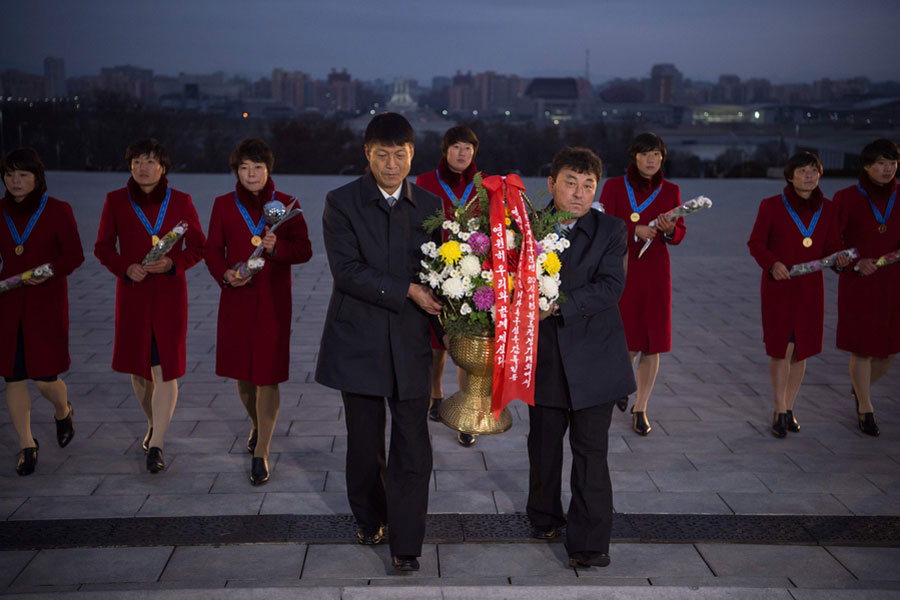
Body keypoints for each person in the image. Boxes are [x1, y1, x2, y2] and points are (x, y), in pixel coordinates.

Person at [315, 113, 443, 573]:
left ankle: (406, 544)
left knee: (413, 444)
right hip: (359, 340)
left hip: (410, 341)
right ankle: (370, 518)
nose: (392, 164)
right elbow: (347, 271)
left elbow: (441, 270)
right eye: (382, 155)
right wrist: (407, 290)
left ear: (412, 154)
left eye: (400, 155)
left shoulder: (430, 204)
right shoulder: (341, 201)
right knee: (365, 444)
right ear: (367, 154)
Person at [528, 147, 635, 568]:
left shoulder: (611, 230)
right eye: (570, 183)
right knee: (543, 446)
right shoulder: (529, 226)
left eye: (588, 185)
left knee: (590, 452)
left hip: (595, 360)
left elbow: (610, 287)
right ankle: (544, 517)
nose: (578, 193)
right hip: (546, 358)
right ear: (551, 183)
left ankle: (590, 543)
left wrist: (556, 306)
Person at [94, 138, 206, 472]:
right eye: (137, 162)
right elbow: (102, 247)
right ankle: (154, 423)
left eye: (150, 161)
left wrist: (173, 264)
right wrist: (124, 267)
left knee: (165, 368)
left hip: (170, 296)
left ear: (163, 167)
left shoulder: (181, 201)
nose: (143, 168)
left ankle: (157, 444)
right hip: (134, 294)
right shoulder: (116, 200)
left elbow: (199, 246)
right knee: (139, 370)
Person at [205, 138, 312, 485]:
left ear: (269, 170)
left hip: (272, 302)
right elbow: (212, 249)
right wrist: (225, 274)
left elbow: (305, 250)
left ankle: (261, 451)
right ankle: (257, 424)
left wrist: (278, 247)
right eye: (244, 168)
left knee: (267, 376)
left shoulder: (287, 204)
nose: (251, 174)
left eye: (258, 168)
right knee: (244, 379)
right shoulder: (224, 205)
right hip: (237, 298)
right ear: (236, 171)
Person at [748, 152, 849, 438]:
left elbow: (831, 246)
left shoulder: (828, 209)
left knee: (801, 349)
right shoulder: (771, 205)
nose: (809, 176)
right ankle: (779, 409)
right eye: (803, 171)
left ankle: (790, 407)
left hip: (810, 289)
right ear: (790, 176)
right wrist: (772, 264)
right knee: (783, 347)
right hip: (780, 286)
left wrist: (839, 259)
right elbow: (756, 243)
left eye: (814, 171)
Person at [1, 148, 84, 475]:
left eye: (23, 175)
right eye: (9, 175)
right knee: (13, 377)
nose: (15, 181)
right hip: (8, 306)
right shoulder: (0, 212)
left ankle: (63, 410)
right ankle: (27, 445)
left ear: (37, 178)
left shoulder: (58, 210)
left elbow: (74, 255)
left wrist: (48, 271)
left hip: (45, 303)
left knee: (45, 380)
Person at [599, 132, 685, 435]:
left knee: (652, 344)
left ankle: (641, 407)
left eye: (657, 155)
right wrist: (634, 230)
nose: (652, 160)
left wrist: (669, 229)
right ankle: (621, 384)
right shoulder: (614, 186)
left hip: (656, 273)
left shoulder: (671, 190)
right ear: (634, 156)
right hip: (623, 271)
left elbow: (679, 234)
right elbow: (603, 227)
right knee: (626, 341)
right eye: (646, 154)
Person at [415, 125, 479, 447]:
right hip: (436, 272)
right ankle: (435, 393)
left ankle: (466, 410)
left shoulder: (484, 184)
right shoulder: (425, 182)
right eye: (456, 147)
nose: (462, 153)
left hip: (473, 275)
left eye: (468, 147)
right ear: (445, 150)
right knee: (436, 344)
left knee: (468, 345)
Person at [834, 138, 900, 436]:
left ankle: (860, 387)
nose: (888, 169)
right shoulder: (846, 198)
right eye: (881, 164)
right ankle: (865, 408)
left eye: (892, 163)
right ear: (866, 166)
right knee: (862, 349)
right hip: (860, 282)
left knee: (888, 352)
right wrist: (855, 263)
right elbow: (833, 242)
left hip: (893, 282)